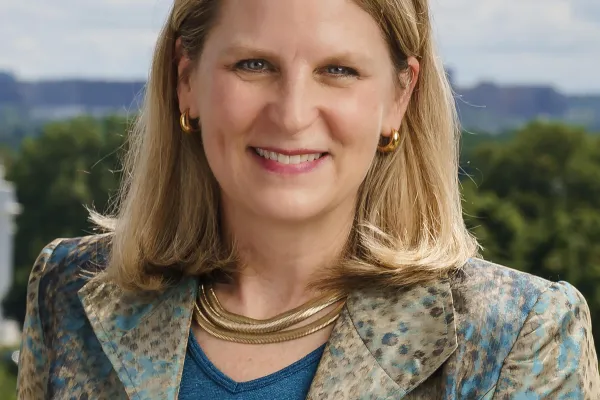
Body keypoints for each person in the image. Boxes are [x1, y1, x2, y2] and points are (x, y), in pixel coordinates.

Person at [17, 0, 599, 398]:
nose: (292, 114)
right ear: (186, 81)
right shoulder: (69, 292)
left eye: (338, 70)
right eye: (253, 65)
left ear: (399, 97)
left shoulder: (517, 336)